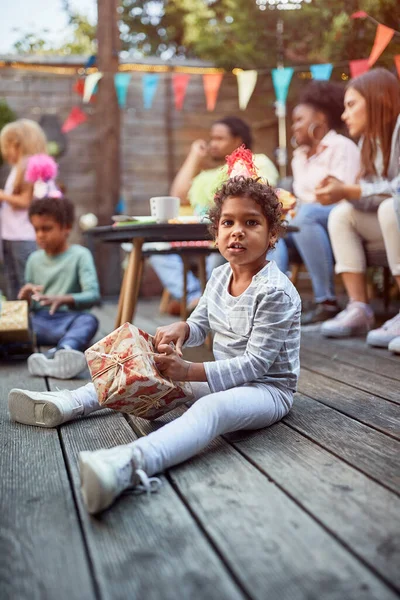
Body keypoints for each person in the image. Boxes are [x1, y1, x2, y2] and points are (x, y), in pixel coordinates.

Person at [8, 148, 301, 515]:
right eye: (228, 223)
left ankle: (129, 464)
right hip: (222, 377)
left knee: (210, 409)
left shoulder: (274, 290)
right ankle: (70, 402)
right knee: (140, 361)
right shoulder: (220, 275)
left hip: (266, 390)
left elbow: (256, 365)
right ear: (216, 231)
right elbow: (201, 324)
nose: (237, 232)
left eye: (251, 223)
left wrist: (190, 372)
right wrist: (183, 329)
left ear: (273, 233)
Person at [150, 116, 279, 314]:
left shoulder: (256, 162)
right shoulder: (207, 175)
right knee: (153, 245)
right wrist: (194, 156)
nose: (212, 144)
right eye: (212, 138)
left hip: (231, 233)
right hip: (198, 232)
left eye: (219, 138)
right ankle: (195, 298)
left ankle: (213, 303)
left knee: (221, 250)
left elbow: (261, 196)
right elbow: (178, 195)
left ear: (237, 140)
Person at [315, 68, 400, 351]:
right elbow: (368, 196)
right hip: (391, 220)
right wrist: (341, 190)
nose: (343, 115)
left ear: (378, 100)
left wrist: (349, 190)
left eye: (351, 105)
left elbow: (396, 190)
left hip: (394, 214)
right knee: (342, 214)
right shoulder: (368, 141)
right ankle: (359, 308)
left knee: (390, 208)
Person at [269, 81, 361, 324]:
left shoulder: (342, 147)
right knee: (266, 228)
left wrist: (302, 207)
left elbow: (346, 192)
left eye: (299, 119)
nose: (293, 126)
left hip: (342, 213)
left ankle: (326, 301)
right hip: (305, 219)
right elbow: (300, 198)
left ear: (319, 118)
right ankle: (274, 302)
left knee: (304, 216)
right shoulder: (299, 157)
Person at [18, 192, 100, 379]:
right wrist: (25, 299)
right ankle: (53, 353)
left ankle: (62, 351)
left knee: (89, 321)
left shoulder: (80, 255)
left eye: (46, 229)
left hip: (69, 320)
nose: (40, 235)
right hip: (40, 322)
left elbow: (93, 295)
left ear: (66, 228)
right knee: (15, 326)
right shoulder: (33, 259)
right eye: (36, 229)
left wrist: (63, 299)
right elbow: (31, 306)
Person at [0, 119, 47, 299]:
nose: (5, 153)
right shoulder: (18, 167)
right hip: (11, 234)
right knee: (13, 283)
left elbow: (26, 201)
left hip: (23, 235)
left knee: (24, 285)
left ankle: (28, 323)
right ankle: (18, 324)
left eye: (6, 147)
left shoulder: (28, 165)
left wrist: (3, 195)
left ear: (17, 144)